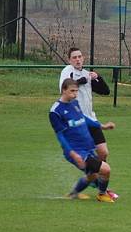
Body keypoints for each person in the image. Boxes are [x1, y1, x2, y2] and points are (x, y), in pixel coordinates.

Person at [59, 47, 118, 200]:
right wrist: (83, 80)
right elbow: (64, 88)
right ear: (69, 60)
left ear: (83, 58)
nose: (77, 60)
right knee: (89, 159)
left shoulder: (87, 74)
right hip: (77, 123)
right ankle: (100, 186)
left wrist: (97, 77)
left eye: (80, 57)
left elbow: (105, 91)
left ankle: (97, 177)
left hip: (91, 120)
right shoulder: (67, 71)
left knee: (103, 152)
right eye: (74, 57)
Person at [50, 78, 116, 202]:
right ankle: (102, 194)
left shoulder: (74, 103)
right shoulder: (55, 111)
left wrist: (102, 126)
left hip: (88, 147)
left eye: (76, 91)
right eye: (72, 91)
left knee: (92, 175)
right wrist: (73, 154)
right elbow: (60, 135)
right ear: (63, 90)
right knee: (106, 169)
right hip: (77, 151)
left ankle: (73, 194)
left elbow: (84, 118)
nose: (75, 94)